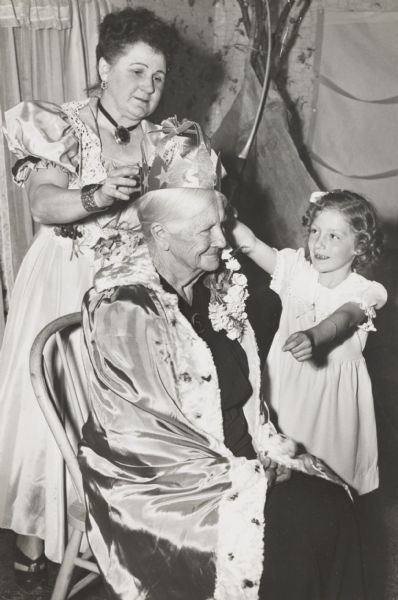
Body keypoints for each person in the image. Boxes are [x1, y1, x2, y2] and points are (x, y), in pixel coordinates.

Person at [79, 121, 364, 600]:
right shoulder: (125, 309)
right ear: (162, 236)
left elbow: (247, 395)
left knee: (333, 501)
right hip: (168, 490)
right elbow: (146, 440)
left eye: (221, 222)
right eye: (207, 229)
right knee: (301, 529)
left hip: (238, 458)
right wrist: (248, 475)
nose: (223, 238)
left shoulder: (216, 288)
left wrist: (266, 449)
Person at [0, 6, 179, 589]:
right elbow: (45, 206)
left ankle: (109, 532)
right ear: (103, 67)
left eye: (157, 77)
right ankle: (39, 533)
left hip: (130, 289)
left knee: (123, 419)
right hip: (66, 274)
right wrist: (97, 193)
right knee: (54, 414)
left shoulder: (165, 140)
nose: (147, 88)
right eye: (135, 71)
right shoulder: (61, 125)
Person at [232, 190, 387, 495]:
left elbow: (343, 318)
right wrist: (214, 206)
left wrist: (314, 336)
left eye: (333, 236)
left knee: (327, 475)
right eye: (315, 231)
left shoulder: (366, 290)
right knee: (279, 460)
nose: (319, 243)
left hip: (330, 399)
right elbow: (249, 243)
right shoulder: (294, 269)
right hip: (284, 385)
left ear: (360, 245)